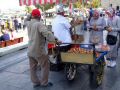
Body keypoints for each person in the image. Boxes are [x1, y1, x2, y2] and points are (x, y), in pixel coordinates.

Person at [27, 9, 55, 87]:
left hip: (30, 50)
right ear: (39, 16)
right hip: (39, 51)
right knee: (45, 65)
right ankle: (44, 83)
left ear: (32, 16)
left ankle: (35, 82)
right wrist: (55, 40)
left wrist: (30, 15)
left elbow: (27, 18)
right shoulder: (39, 24)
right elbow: (47, 34)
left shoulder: (28, 23)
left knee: (32, 68)